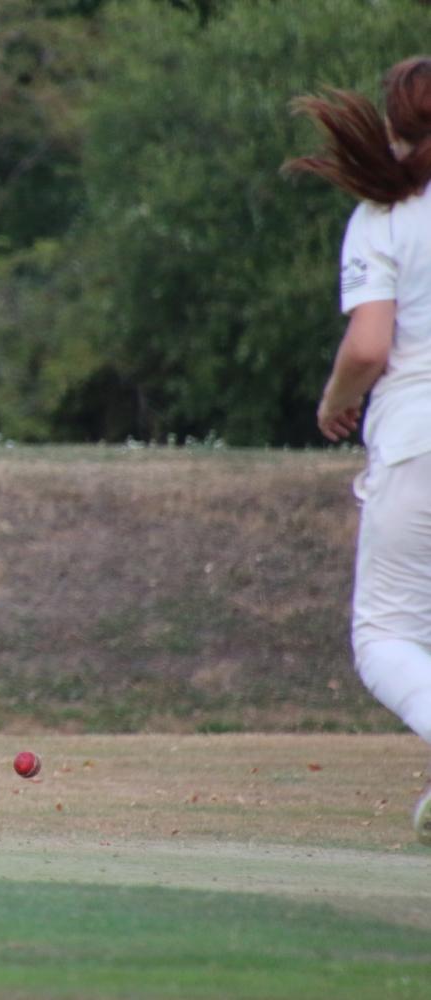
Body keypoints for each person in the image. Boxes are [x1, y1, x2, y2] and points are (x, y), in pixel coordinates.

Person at [286, 56, 431, 844]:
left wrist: (336, 402)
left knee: (384, 641)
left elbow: (370, 344)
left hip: (419, 437)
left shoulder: (386, 217)